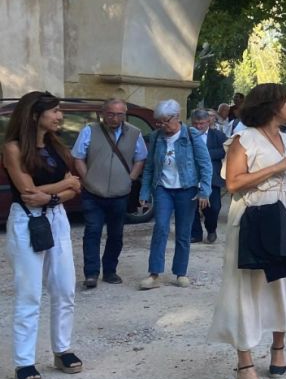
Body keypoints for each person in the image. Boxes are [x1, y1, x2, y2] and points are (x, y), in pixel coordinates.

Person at [209, 83, 286, 379]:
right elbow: (233, 183)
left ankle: (278, 347)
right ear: (271, 105)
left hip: (282, 215)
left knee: (282, 281)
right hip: (252, 216)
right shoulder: (243, 140)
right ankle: (244, 365)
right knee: (247, 287)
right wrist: (277, 166)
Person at [3, 91, 84, 379]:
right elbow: (27, 192)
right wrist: (63, 186)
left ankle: (62, 350)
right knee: (29, 294)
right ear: (35, 115)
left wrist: (50, 195)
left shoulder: (57, 147)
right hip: (27, 222)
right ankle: (24, 362)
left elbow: (74, 190)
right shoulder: (13, 149)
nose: (60, 116)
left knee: (64, 287)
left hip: (56, 218)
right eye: (55, 111)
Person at [72, 97, 148, 288]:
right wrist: (87, 178)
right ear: (103, 113)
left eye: (119, 114)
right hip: (93, 192)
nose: (114, 118)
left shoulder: (135, 133)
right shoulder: (90, 130)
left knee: (116, 234)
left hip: (120, 193)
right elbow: (78, 157)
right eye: (111, 114)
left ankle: (110, 271)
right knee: (92, 232)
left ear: (124, 114)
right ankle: (91, 273)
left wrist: (130, 178)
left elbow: (140, 158)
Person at [138, 99, 213, 290]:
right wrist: (145, 192)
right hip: (163, 188)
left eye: (165, 121)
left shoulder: (191, 135)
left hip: (187, 189)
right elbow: (149, 167)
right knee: (161, 228)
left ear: (177, 117)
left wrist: (204, 191)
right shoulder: (156, 137)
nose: (162, 126)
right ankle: (154, 274)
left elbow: (205, 164)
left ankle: (181, 273)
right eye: (159, 122)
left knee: (183, 232)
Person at [189, 109, 226, 244]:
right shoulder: (187, 136)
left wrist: (205, 154)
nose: (199, 127)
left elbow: (226, 151)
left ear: (208, 122)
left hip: (212, 177)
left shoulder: (218, 135)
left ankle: (211, 229)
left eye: (202, 123)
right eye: (195, 124)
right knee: (191, 207)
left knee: (213, 207)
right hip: (191, 177)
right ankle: (195, 233)